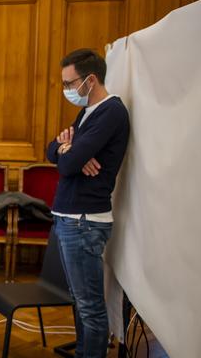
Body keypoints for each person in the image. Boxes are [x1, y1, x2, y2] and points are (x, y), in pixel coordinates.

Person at [47, 48, 130, 358]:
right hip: (70, 218)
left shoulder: (111, 112)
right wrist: (66, 148)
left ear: (90, 80)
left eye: (70, 83)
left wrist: (70, 153)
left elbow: (67, 165)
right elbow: (51, 150)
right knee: (79, 302)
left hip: (84, 222)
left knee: (90, 308)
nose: (67, 90)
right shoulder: (87, 113)